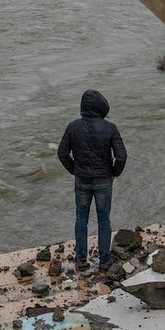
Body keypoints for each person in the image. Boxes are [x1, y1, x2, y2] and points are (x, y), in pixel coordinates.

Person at [57, 89, 127, 272]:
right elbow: (121, 156)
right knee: (104, 219)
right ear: (101, 107)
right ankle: (104, 260)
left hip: (81, 180)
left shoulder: (73, 127)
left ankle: (81, 260)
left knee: (81, 219)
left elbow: (62, 153)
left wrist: (74, 170)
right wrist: (115, 172)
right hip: (104, 180)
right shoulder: (110, 128)